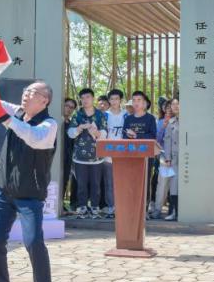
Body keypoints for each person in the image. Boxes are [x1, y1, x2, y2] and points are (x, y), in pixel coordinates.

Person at [0, 81, 57, 282]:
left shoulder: (48, 125)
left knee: (33, 242)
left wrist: (8, 120)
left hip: (30, 196)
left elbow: (32, 136)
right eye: (25, 91)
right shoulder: (18, 113)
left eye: (32, 92)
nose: (26, 95)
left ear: (44, 100)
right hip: (5, 191)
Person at [67, 88, 107, 218]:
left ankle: (95, 208)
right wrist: (79, 128)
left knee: (96, 184)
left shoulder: (100, 115)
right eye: (82, 98)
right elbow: (70, 133)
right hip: (79, 157)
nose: (85, 100)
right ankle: (82, 207)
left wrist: (96, 133)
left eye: (88, 97)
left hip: (97, 156)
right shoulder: (77, 115)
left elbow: (105, 133)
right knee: (81, 185)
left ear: (93, 98)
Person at [123, 91, 158, 217]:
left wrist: (136, 136)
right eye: (134, 100)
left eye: (139, 100)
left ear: (144, 103)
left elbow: (152, 136)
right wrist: (129, 136)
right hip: (130, 155)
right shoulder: (128, 119)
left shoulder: (150, 118)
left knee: (145, 182)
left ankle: (144, 210)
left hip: (146, 156)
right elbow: (124, 136)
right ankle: (131, 209)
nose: (136, 102)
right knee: (131, 182)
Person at [101, 89, 128, 218]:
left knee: (123, 181)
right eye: (111, 99)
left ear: (120, 100)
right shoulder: (104, 115)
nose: (114, 101)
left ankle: (123, 207)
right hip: (108, 154)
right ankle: (111, 207)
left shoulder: (126, 115)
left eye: (116, 99)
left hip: (123, 154)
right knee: (109, 182)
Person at [153, 97, 180, 220]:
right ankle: (157, 210)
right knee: (162, 185)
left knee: (175, 185)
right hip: (165, 158)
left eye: (171, 106)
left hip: (177, 158)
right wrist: (163, 127)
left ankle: (173, 210)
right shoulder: (160, 122)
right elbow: (157, 140)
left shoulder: (179, 121)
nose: (169, 109)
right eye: (167, 107)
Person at [61, 98, 78, 213]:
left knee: (65, 180)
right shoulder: (56, 120)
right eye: (67, 105)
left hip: (68, 156)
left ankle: (61, 204)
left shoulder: (72, 123)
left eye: (72, 107)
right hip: (56, 156)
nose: (69, 109)